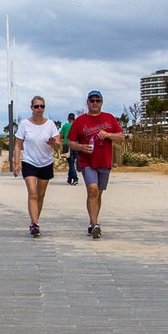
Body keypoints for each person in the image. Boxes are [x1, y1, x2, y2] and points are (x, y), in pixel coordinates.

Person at [69, 89, 123, 238]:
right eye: (92, 101)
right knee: (92, 190)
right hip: (87, 161)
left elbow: (121, 136)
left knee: (98, 193)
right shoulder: (80, 121)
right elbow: (70, 142)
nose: (94, 103)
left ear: (101, 102)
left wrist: (109, 135)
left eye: (97, 101)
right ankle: (94, 224)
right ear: (87, 103)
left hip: (104, 161)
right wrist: (80, 147)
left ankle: (94, 221)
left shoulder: (109, 118)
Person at [11, 95, 62, 236]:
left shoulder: (50, 124)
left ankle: (35, 220)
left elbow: (59, 146)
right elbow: (17, 145)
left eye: (42, 106)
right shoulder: (24, 124)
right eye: (36, 106)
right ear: (31, 108)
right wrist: (16, 163)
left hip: (46, 162)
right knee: (32, 194)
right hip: (29, 162)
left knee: (40, 195)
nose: (39, 109)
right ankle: (34, 224)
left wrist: (54, 143)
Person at [61, 112, 78, 185]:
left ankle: (75, 178)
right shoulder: (77, 125)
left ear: (68, 119)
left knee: (71, 163)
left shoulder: (65, 126)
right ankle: (69, 178)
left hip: (68, 146)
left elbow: (61, 135)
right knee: (72, 162)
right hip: (76, 145)